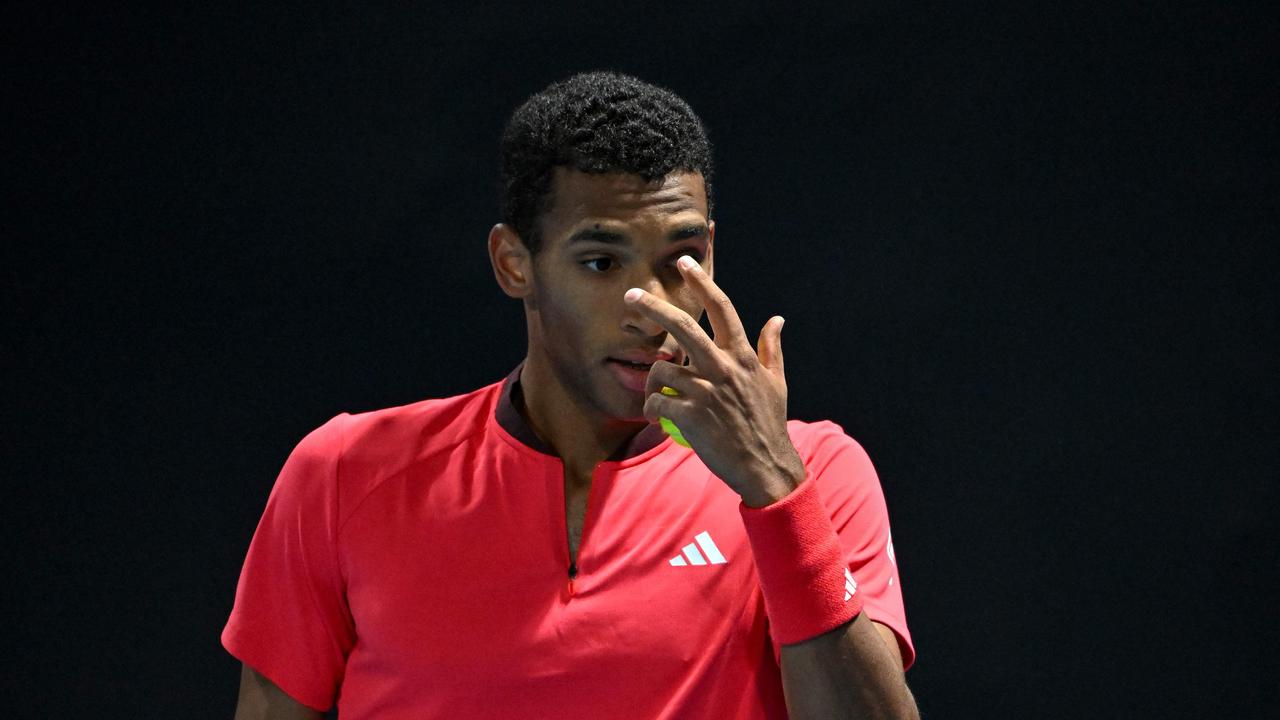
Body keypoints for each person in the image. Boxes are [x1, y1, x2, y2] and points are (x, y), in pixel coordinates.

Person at [223, 71, 919, 719]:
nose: (651, 306)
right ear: (513, 264)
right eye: (600, 262)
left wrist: (774, 490)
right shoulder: (344, 473)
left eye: (684, 258)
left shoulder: (815, 474)